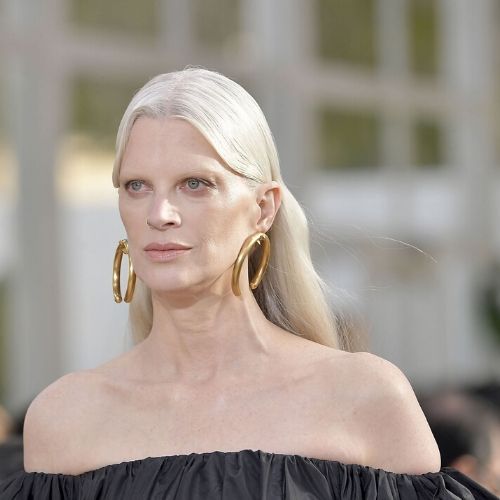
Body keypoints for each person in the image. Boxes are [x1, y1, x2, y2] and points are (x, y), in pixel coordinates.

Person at [0, 67, 497, 499]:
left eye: (195, 184)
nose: (159, 213)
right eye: (136, 186)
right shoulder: (66, 419)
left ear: (263, 207)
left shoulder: (365, 398)